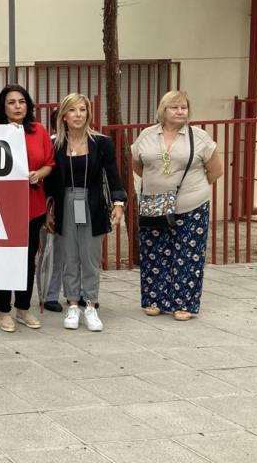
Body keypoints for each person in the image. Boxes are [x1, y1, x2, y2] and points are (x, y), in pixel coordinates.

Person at [131, 91, 222, 321]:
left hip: (192, 205)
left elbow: (215, 170)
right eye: (174, 107)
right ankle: (155, 300)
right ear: (163, 110)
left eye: (184, 107)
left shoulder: (199, 137)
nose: (180, 111)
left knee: (188, 255)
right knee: (154, 253)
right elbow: (138, 165)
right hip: (154, 203)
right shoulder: (147, 135)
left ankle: (184, 303)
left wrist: (193, 189)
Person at [45, 93, 127, 331]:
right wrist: (49, 210)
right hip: (65, 203)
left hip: (92, 203)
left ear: (88, 114)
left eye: (82, 110)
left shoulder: (101, 143)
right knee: (70, 257)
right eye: (72, 110)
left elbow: (113, 175)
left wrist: (118, 203)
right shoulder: (55, 144)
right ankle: (72, 305)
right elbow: (50, 182)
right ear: (63, 115)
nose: (78, 115)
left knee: (90, 258)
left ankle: (90, 305)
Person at [0, 85, 55, 332]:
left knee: (27, 260)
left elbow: (49, 163)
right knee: (3, 259)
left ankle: (23, 309)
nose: (17, 106)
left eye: (22, 101)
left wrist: (39, 174)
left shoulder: (38, 130)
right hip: (3, 208)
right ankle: (3, 311)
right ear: (3, 107)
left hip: (33, 206)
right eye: (11, 102)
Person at [42, 108, 64, 313]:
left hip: (79, 203)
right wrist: (48, 209)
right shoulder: (50, 144)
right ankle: (49, 295)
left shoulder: (88, 142)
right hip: (53, 203)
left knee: (79, 252)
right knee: (52, 251)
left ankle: (80, 293)